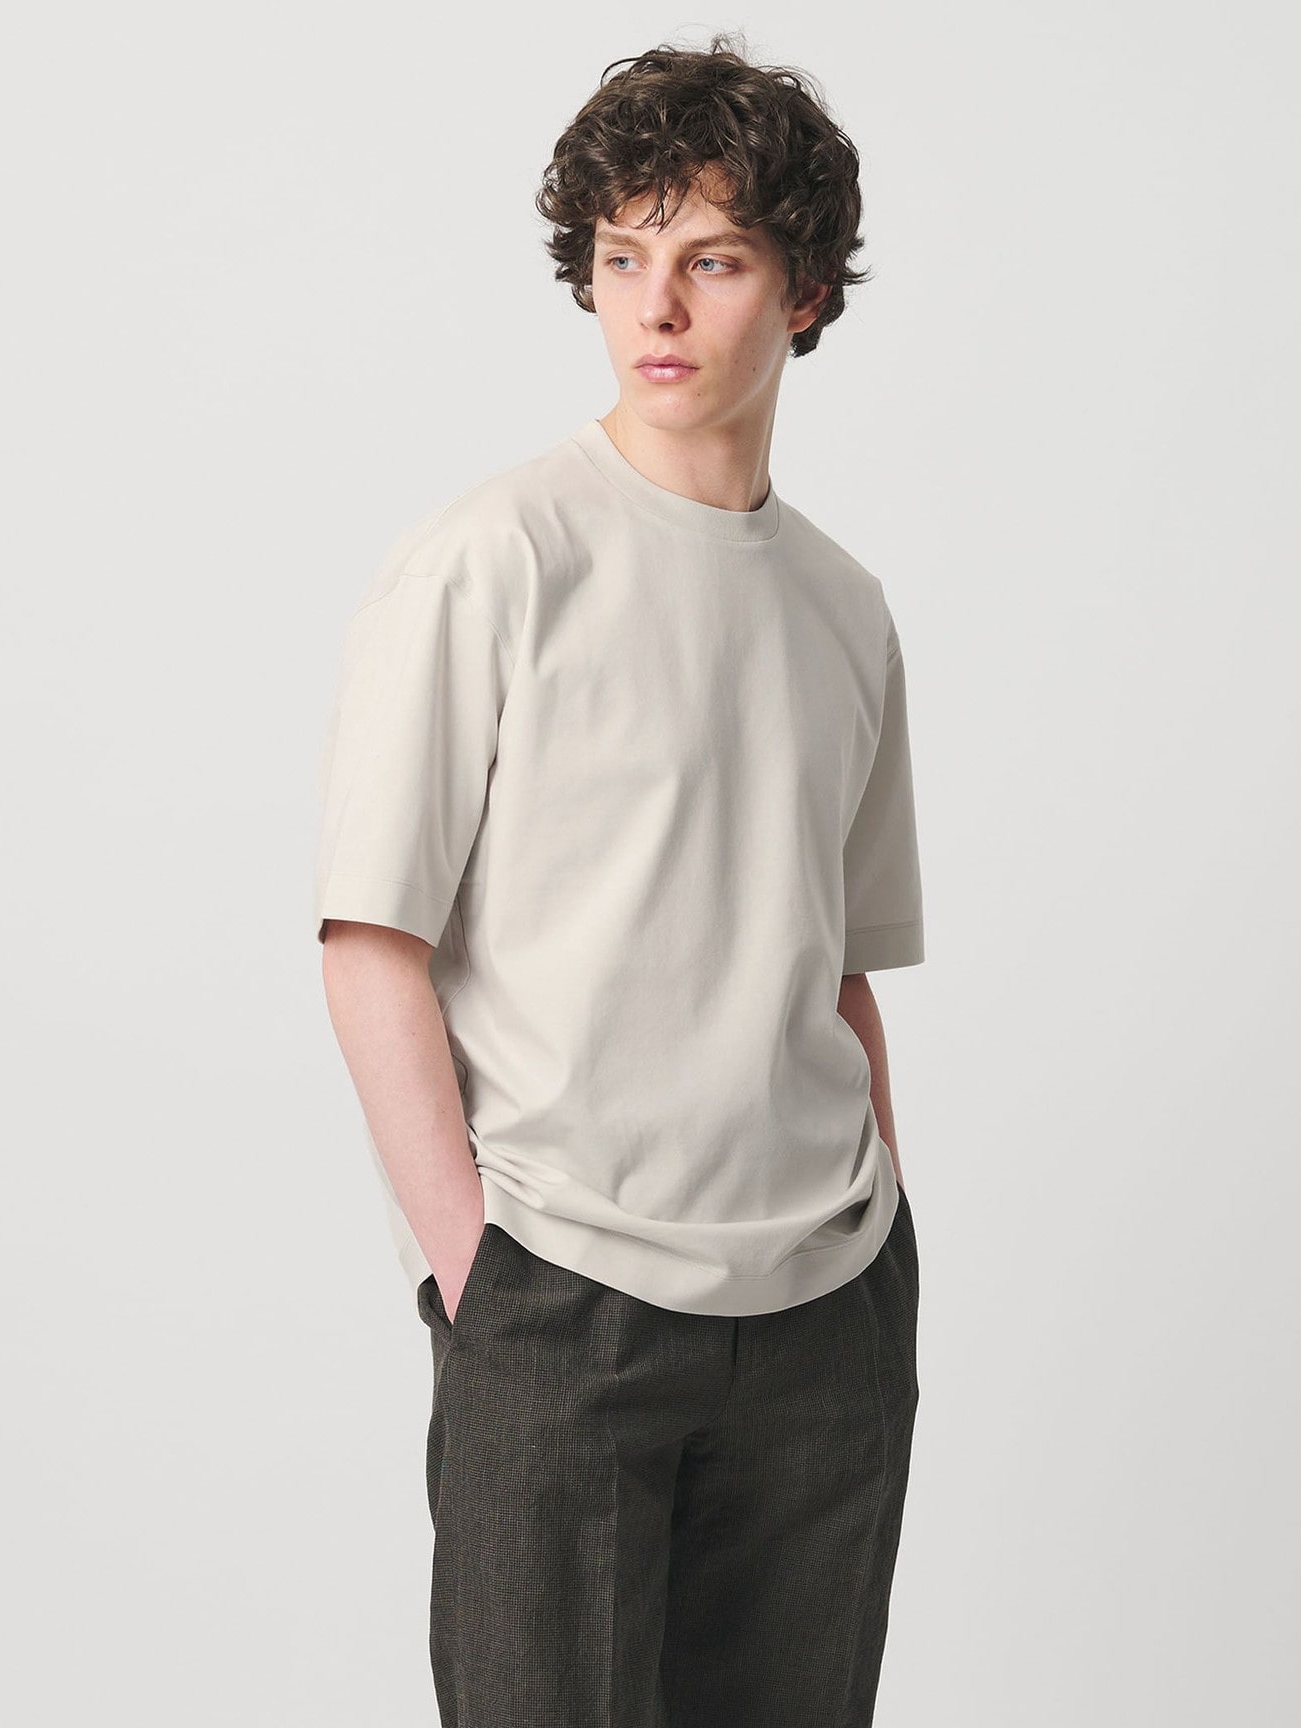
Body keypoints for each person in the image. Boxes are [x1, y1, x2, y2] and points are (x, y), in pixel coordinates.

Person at [314, 32, 926, 1728]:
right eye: (620, 255)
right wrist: (480, 1281)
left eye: (712, 259)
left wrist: (886, 1236)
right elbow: (370, 942)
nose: (654, 304)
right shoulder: (492, 560)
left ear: (804, 292)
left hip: (827, 1319)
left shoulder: (846, 610)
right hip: (563, 1305)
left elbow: (840, 966)